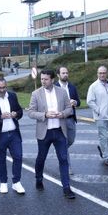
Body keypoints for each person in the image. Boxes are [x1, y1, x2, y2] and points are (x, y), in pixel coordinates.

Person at [27, 69, 75, 199]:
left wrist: (62, 114)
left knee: (63, 159)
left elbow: (69, 108)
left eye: (45, 79)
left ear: (52, 80)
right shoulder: (36, 94)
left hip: (60, 131)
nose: (43, 81)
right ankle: (38, 178)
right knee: (41, 158)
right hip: (44, 132)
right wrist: (45, 115)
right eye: (41, 79)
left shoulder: (62, 92)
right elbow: (30, 112)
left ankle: (66, 188)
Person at [87, 65, 108, 167]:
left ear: (107, 73)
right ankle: (106, 157)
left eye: (104, 73)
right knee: (103, 136)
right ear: (97, 74)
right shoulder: (93, 86)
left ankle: (102, 147)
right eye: (100, 73)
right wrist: (99, 110)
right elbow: (89, 101)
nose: (102, 74)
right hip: (100, 117)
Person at [55, 66, 81, 174]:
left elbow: (78, 102)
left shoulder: (72, 87)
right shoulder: (54, 87)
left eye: (66, 73)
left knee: (70, 140)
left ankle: (61, 151)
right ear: (58, 75)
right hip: (60, 119)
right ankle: (67, 167)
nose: (65, 74)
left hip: (70, 118)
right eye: (63, 73)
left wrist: (75, 102)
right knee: (64, 142)